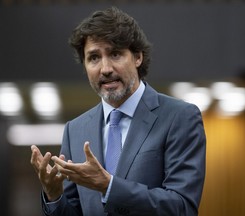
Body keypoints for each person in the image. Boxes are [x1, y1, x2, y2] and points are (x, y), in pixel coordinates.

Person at [30, 6, 206, 216]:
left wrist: (109, 186)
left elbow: (182, 207)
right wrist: (54, 195)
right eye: (94, 57)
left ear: (137, 57)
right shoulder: (74, 130)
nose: (105, 68)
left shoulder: (180, 117)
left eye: (115, 54)